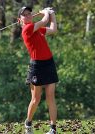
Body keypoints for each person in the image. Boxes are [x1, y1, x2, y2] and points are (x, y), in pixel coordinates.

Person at [18, 6, 58, 134]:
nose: (29, 15)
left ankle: (53, 129)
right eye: (25, 15)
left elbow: (53, 29)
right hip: (37, 66)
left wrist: (52, 15)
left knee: (51, 97)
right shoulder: (27, 29)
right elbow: (44, 20)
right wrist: (45, 13)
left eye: (29, 13)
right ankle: (28, 123)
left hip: (49, 63)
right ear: (20, 19)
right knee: (36, 99)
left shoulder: (37, 29)